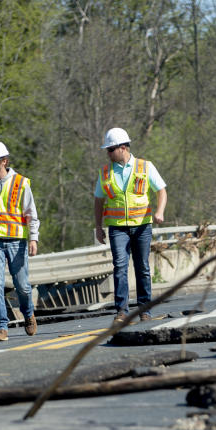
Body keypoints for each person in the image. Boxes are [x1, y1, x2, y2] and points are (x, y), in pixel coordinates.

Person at [93, 127, 167, 324]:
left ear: (123, 148)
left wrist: (159, 211)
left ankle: (144, 310)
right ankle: (122, 311)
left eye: (111, 149)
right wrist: (98, 227)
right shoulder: (105, 172)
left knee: (142, 267)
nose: (107, 153)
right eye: (107, 150)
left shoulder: (145, 167)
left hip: (142, 225)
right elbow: (98, 200)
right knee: (120, 267)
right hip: (117, 228)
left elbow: (161, 190)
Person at [0, 140, 40, 342]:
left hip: (16, 241)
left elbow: (31, 214)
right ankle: (1, 327)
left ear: (4, 161)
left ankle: (28, 313)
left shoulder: (21, 183)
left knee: (22, 286)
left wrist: (33, 238)